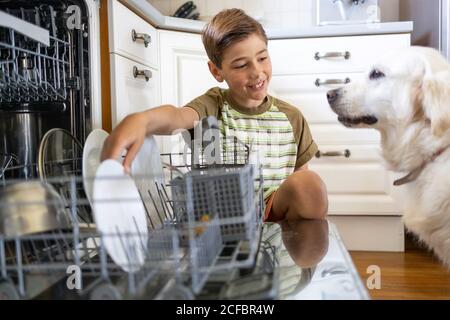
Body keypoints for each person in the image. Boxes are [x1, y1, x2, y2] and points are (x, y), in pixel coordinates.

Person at [101, 8, 328, 222]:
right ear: (216, 71)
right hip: (222, 216)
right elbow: (177, 117)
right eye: (241, 65)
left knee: (310, 186)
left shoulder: (291, 117)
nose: (257, 72)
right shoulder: (214, 105)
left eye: (262, 58)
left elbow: (300, 183)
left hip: (271, 210)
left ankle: (292, 257)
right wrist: (141, 120)